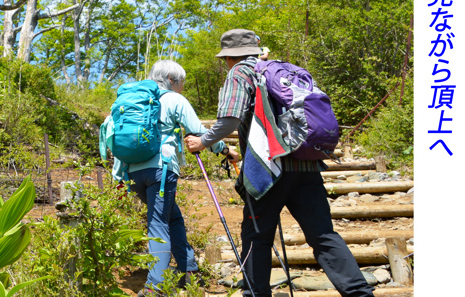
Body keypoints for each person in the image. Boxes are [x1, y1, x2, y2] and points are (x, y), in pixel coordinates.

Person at [184, 29, 373, 297]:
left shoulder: (240, 72)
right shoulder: (285, 70)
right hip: (307, 166)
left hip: (268, 170)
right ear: (257, 50)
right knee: (323, 237)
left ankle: (256, 294)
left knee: (257, 238)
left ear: (228, 57)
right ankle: (360, 294)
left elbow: (230, 120)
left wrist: (203, 141)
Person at [105, 59, 239, 296]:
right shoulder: (174, 99)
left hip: (132, 172)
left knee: (172, 217)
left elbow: (111, 135)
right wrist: (226, 150)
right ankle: (155, 286)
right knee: (158, 224)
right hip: (161, 170)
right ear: (171, 80)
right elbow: (200, 131)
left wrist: (119, 176)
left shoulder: (131, 102)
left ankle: (189, 270)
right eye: (182, 82)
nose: (183, 87)